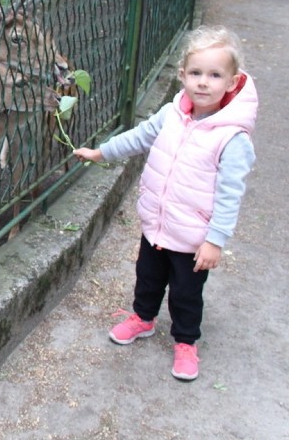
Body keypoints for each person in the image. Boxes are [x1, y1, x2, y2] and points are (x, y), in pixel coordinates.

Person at [73, 25, 257, 381]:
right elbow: (140, 137)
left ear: (232, 83)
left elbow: (230, 193)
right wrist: (101, 153)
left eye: (215, 75)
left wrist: (215, 240)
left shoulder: (232, 137)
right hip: (157, 224)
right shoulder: (171, 114)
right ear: (182, 75)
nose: (203, 82)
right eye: (196, 73)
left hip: (193, 238)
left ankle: (186, 341)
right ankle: (142, 318)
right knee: (148, 277)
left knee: (187, 293)